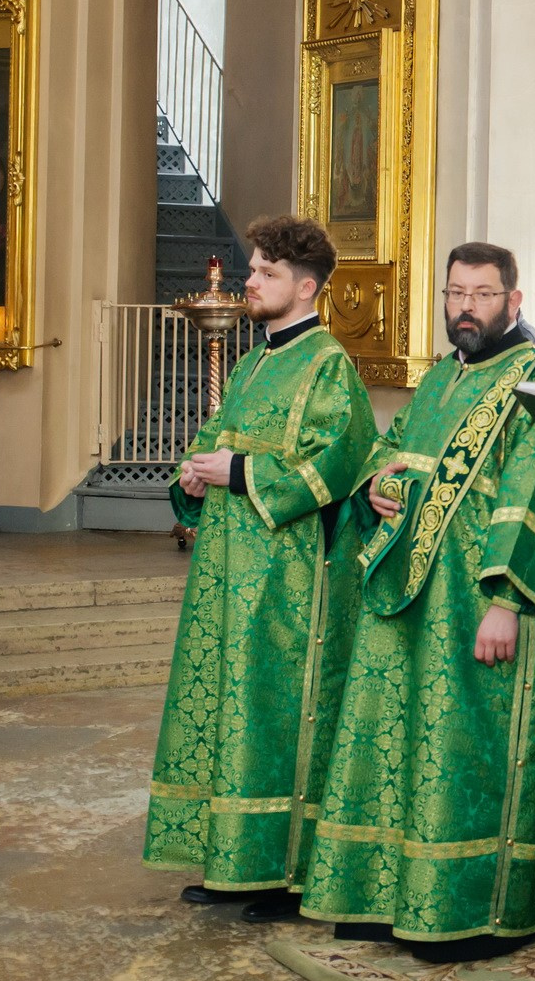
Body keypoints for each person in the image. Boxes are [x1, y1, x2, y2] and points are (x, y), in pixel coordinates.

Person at [298, 243, 535, 960]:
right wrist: (375, 490)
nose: (465, 308)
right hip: (406, 599)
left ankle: (464, 908)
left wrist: (506, 601)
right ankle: (380, 894)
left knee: (461, 754)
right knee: (392, 747)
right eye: (455, 293)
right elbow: (390, 455)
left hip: (475, 602)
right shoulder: (440, 377)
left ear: (514, 302)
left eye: (482, 295)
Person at [144, 217, 376, 922]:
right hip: (224, 571)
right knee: (224, 707)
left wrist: (240, 470)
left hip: (289, 583)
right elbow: (214, 441)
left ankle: (280, 871)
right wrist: (192, 473)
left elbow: (340, 460)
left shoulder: (327, 363)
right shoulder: (250, 364)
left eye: (265, 272)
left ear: (305, 287)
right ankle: (231, 859)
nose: (249, 281)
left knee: (273, 715)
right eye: (251, 269)